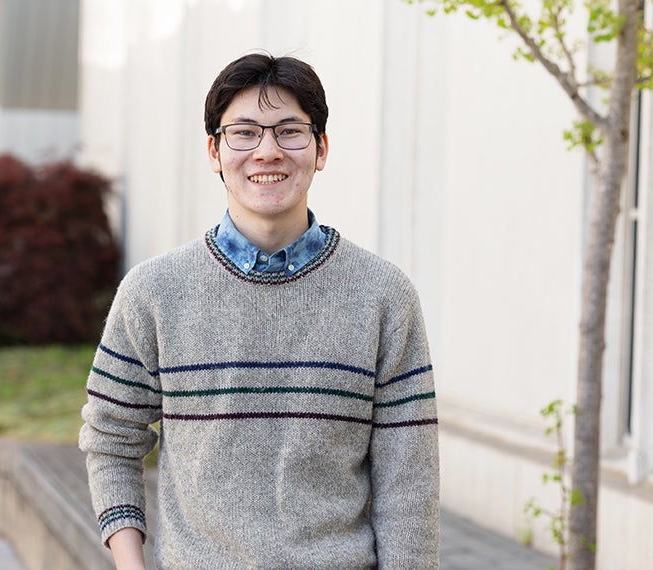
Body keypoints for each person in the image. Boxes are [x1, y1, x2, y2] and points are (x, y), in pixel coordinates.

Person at [79, 52, 440, 569]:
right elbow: (111, 439)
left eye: (289, 131)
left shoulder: (383, 295)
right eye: (244, 133)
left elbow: (409, 483)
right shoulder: (154, 292)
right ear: (214, 151)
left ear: (320, 148)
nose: (267, 152)